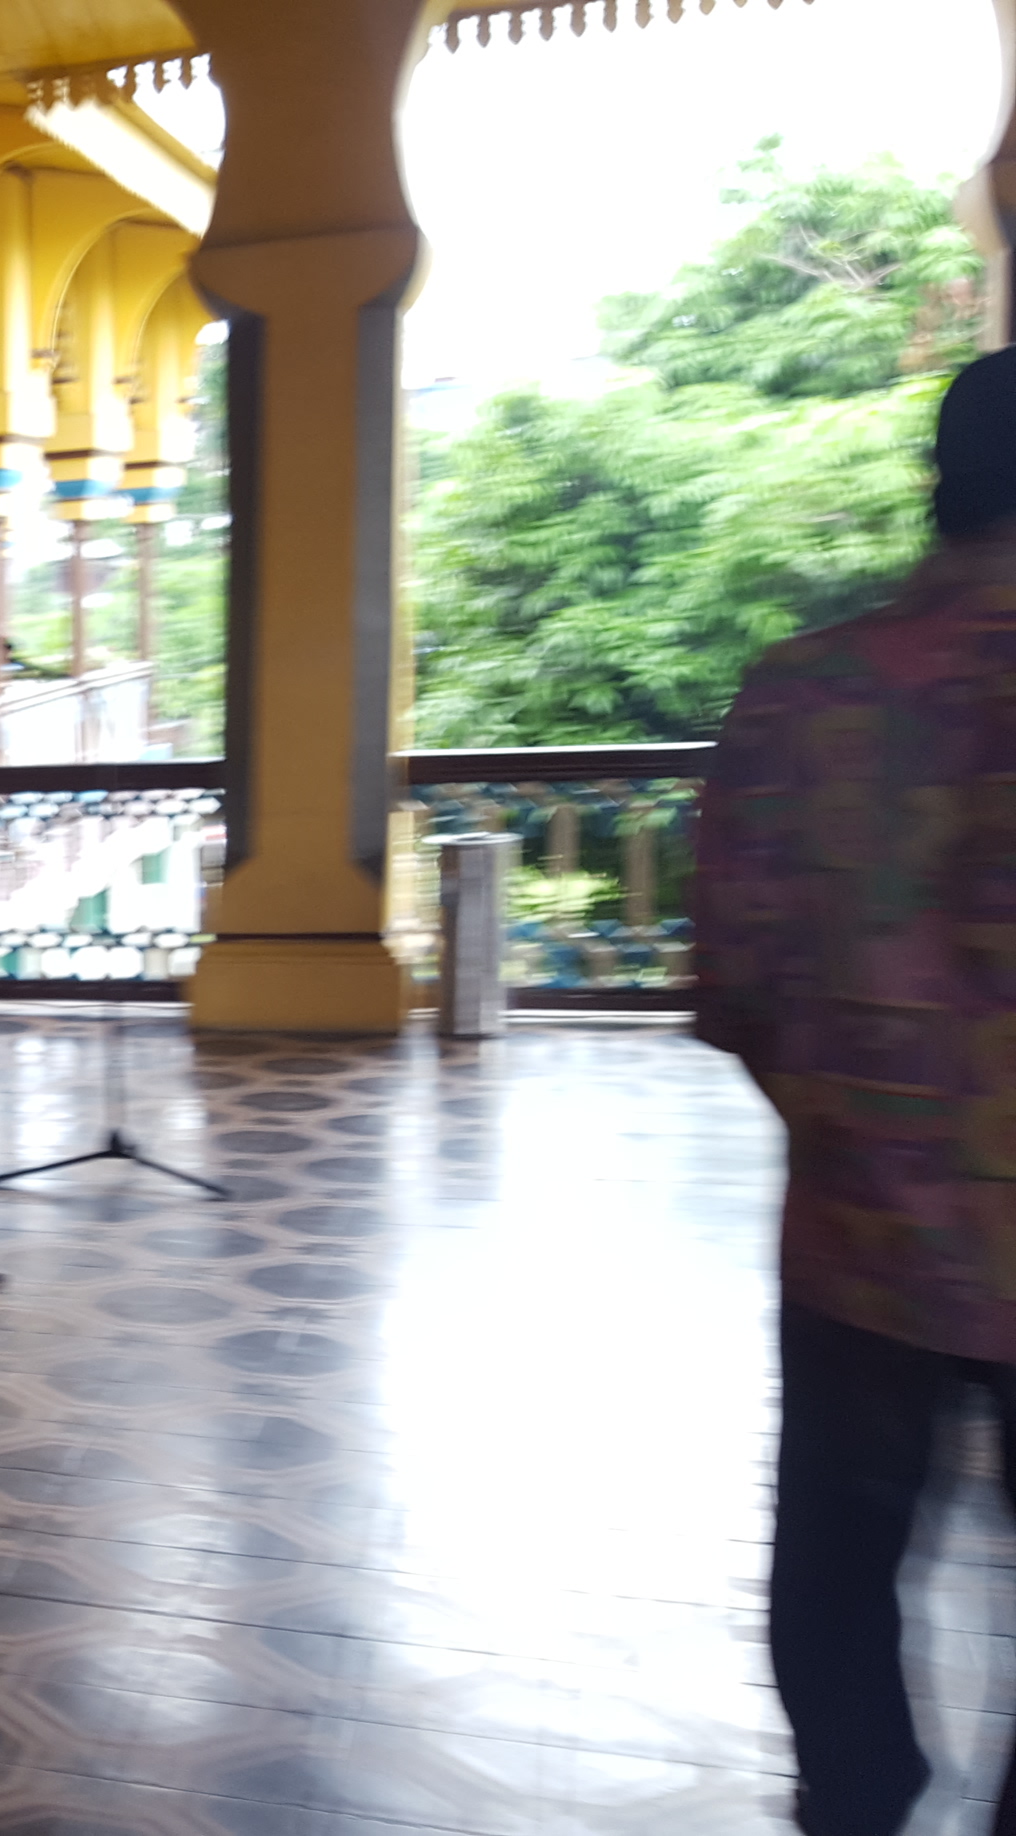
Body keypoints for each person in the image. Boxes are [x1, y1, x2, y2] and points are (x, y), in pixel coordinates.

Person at [693, 346, 1016, 1836]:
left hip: (863, 1238)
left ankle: (858, 1799)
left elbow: (740, 982)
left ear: (937, 486)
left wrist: (859, 1124)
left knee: (837, 1560)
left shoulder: (805, 692)